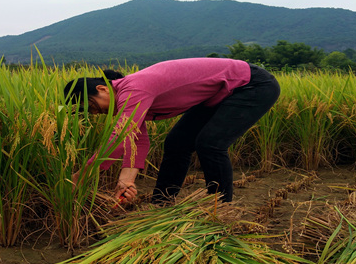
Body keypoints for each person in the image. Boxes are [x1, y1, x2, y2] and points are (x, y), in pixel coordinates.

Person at [64, 57, 280, 205]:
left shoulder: (133, 88)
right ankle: (162, 203)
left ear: (102, 89)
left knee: (210, 144)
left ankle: (221, 209)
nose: (99, 112)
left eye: (93, 106)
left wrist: (80, 176)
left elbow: (119, 139)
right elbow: (136, 141)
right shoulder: (128, 96)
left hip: (251, 85)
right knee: (176, 144)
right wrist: (126, 181)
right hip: (217, 96)